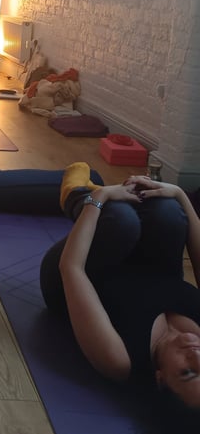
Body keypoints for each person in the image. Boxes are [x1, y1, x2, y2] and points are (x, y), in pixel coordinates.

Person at [40, 162, 200, 429]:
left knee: (120, 221)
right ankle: (131, 193)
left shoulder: (120, 359)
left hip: (76, 274)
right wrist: (179, 194)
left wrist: (99, 197)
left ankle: (76, 194)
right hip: (143, 263)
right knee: (169, 211)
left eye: (188, 372)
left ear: (160, 379)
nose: (196, 355)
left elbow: (71, 267)